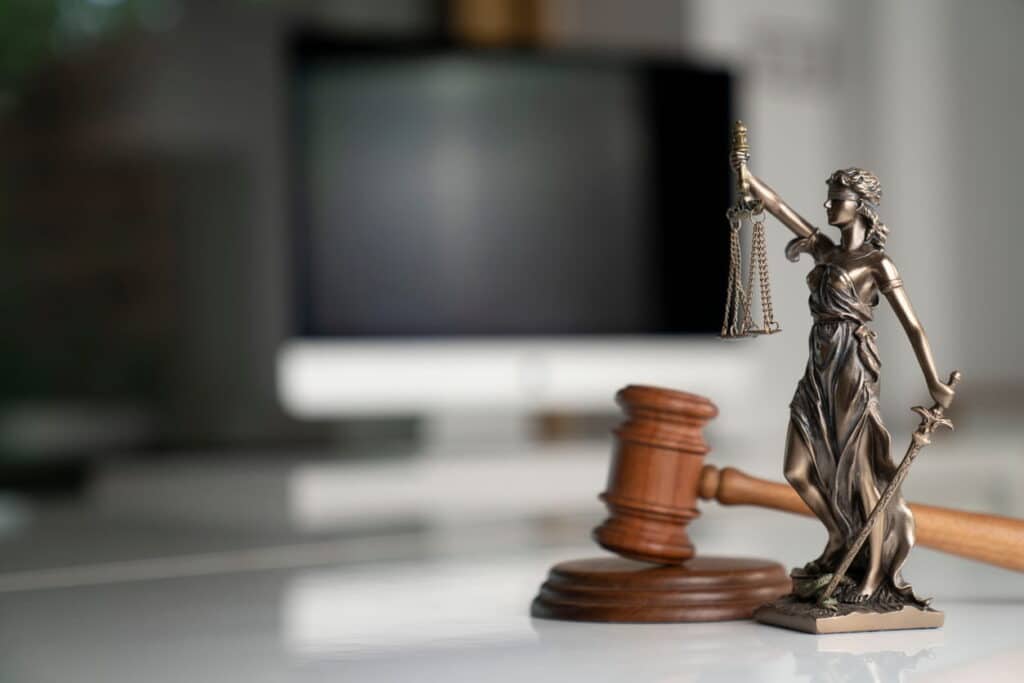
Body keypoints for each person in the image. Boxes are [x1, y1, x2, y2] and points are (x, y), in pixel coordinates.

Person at [734, 160, 955, 605]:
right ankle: (840, 536)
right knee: (796, 469)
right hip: (819, 367)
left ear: (860, 207)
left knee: (862, 476)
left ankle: (873, 574)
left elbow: (913, 327)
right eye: (829, 199)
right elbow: (779, 209)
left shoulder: (877, 263)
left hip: (853, 367)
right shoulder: (825, 251)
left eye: (837, 200)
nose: (828, 206)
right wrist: (747, 178)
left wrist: (935, 383)